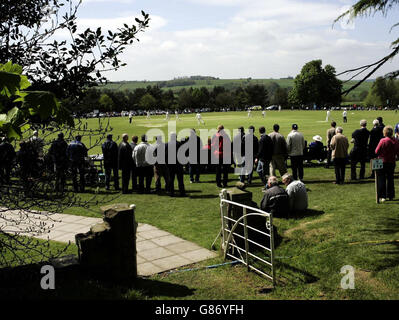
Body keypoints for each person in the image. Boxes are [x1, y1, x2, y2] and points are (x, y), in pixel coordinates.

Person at [375, 126, 399, 202]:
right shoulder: (395, 141)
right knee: (390, 178)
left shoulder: (383, 140)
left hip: (383, 161)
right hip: (392, 161)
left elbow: (376, 151)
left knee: (381, 178)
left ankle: (383, 196)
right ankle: (391, 195)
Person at [166, 133, 186, 197]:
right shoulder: (180, 144)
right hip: (178, 164)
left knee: (171, 179)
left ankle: (171, 192)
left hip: (170, 165)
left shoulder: (166, 145)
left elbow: (165, 155)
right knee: (180, 179)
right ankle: (182, 192)